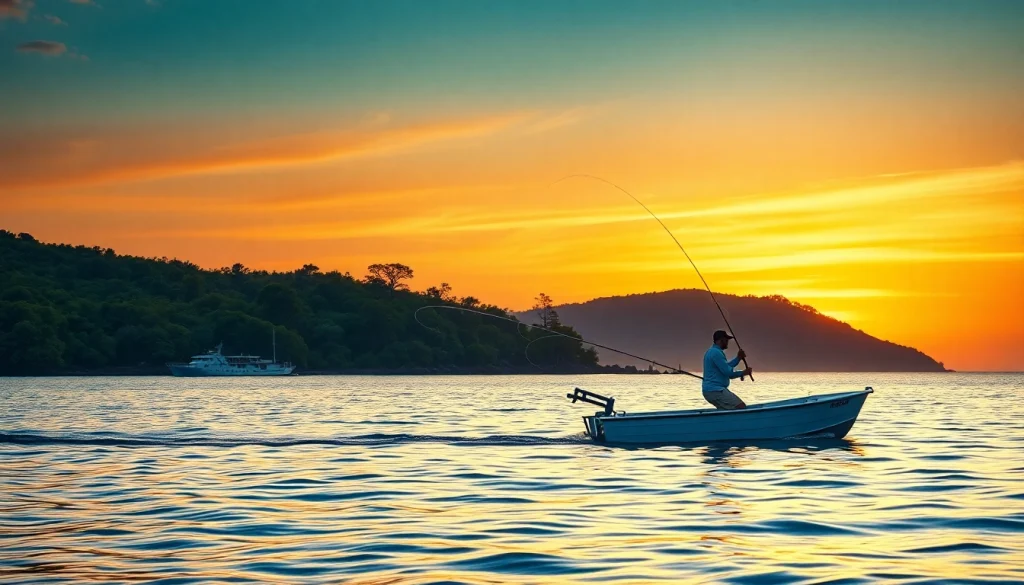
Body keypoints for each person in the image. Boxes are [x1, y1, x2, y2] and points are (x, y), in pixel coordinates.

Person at [702, 330, 753, 410]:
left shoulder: (712, 351)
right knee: (741, 407)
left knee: (724, 411)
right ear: (720, 340)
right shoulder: (716, 353)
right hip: (715, 391)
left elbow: (726, 367)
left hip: (712, 391)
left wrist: (738, 358)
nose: (727, 342)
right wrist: (743, 373)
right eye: (726, 340)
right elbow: (728, 373)